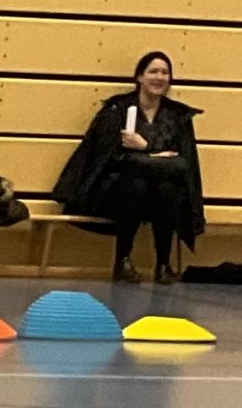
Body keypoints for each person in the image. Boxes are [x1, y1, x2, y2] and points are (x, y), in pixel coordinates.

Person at [52, 50, 206, 283]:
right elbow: (109, 158)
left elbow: (183, 165)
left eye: (165, 72)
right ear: (140, 77)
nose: (159, 77)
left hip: (161, 194)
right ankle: (122, 259)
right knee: (136, 184)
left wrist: (144, 148)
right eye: (153, 71)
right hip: (117, 192)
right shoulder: (117, 109)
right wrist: (158, 157)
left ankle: (162, 263)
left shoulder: (177, 115)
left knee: (166, 188)